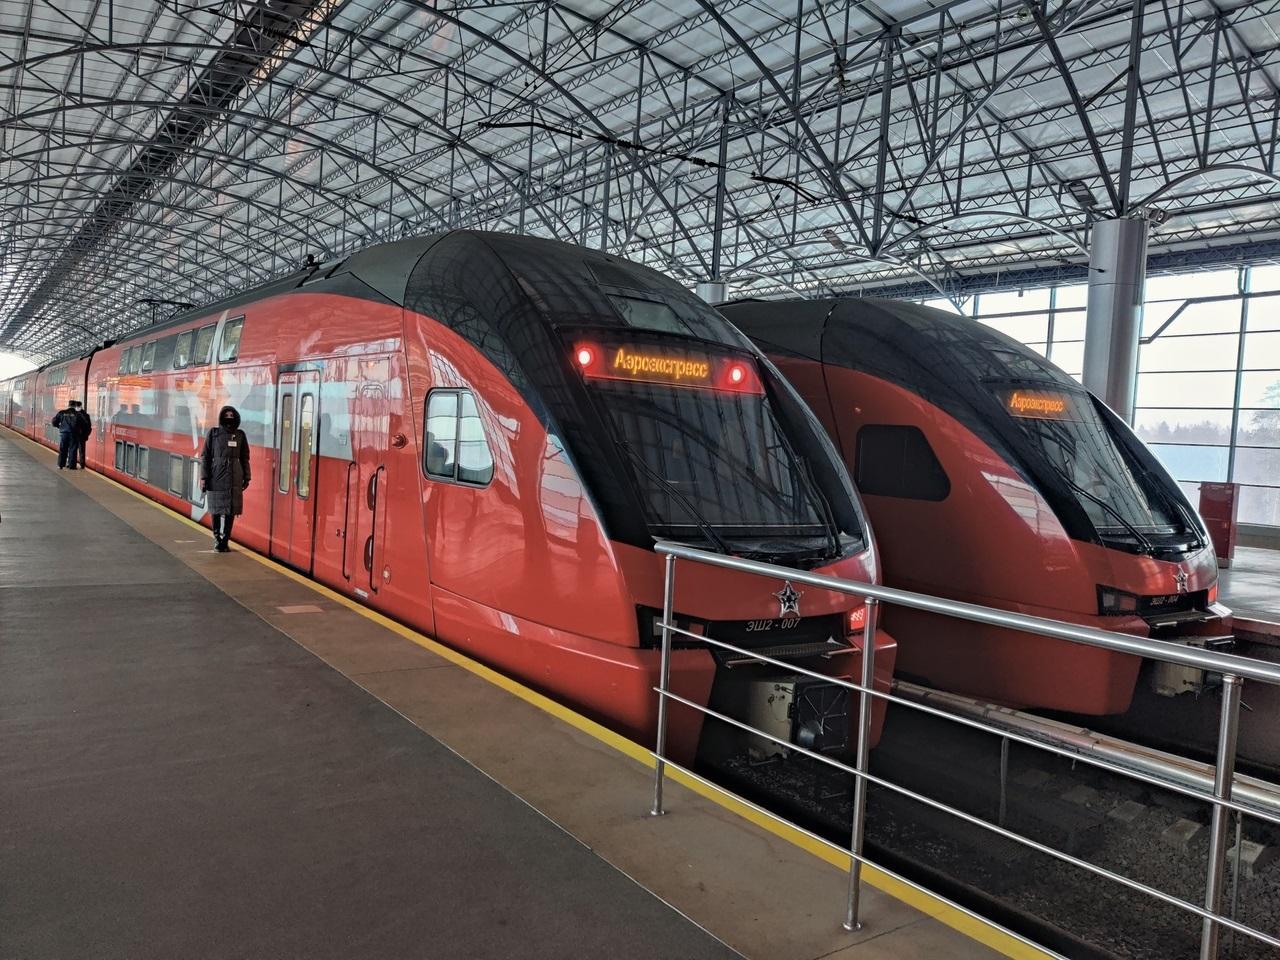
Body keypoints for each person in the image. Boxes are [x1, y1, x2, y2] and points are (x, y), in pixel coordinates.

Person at [200, 405, 251, 552]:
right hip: (216, 477)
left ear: (236, 417)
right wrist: (204, 477)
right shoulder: (213, 433)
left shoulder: (240, 435)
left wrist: (247, 476)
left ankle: (225, 540)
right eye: (227, 415)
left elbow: (245, 458)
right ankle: (217, 539)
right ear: (222, 417)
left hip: (235, 478)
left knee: (231, 511)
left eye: (232, 415)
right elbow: (205, 457)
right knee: (215, 510)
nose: (229, 418)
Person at [52, 400, 82, 470]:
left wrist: (59, 427)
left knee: (63, 449)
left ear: (68, 405)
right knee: (72, 449)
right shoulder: (78, 414)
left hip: (64, 434)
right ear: (75, 406)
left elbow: (54, 422)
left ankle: (60, 465)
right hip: (74, 434)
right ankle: (72, 466)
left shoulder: (62, 413)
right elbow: (82, 424)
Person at [74, 403, 93, 469]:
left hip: (75, 435)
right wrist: (86, 435)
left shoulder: (74, 414)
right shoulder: (86, 415)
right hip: (82, 436)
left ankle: (72, 464)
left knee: (73, 450)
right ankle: (82, 465)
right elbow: (89, 427)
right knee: (82, 451)